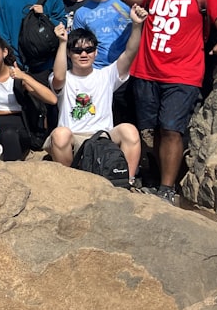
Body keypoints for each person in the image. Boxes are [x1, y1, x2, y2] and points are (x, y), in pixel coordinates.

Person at [119, 0, 217, 203]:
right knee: (155, 130)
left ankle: (168, 189)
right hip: (147, 71)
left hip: (184, 74)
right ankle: (160, 180)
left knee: (172, 129)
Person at [45, 10, 146, 182]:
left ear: (96, 52)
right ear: (69, 54)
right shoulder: (63, 76)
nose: (83, 54)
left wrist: (137, 25)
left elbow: (130, 54)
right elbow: (59, 78)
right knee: (60, 135)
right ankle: (70, 182)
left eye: (88, 49)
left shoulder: (106, 75)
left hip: (103, 137)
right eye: (77, 51)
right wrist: (63, 43)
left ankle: (126, 182)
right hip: (73, 138)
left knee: (129, 130)